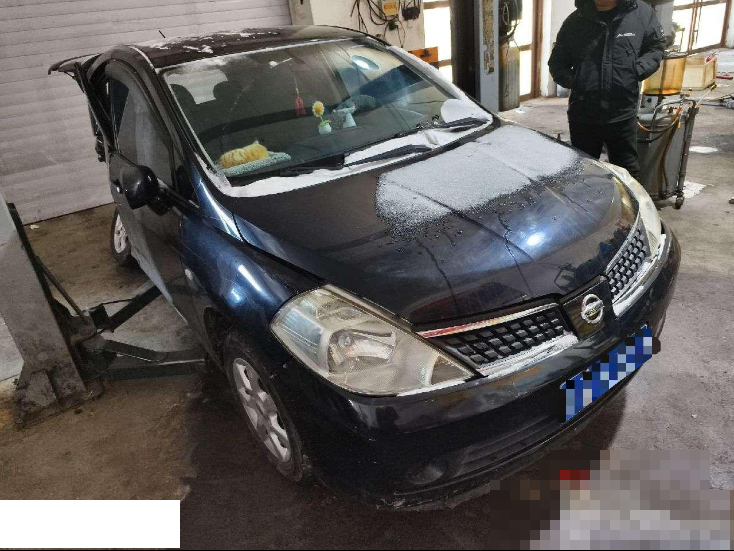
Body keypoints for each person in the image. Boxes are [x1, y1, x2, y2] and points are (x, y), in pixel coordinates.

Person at [549, 0, 665, 177]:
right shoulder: (575, 21)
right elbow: (557, 62)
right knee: (584, 172)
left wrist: (636, 70)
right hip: (584, 114)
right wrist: (577, 81)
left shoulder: (640, 14)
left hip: (622, 113)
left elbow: (655, 48)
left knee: (627, 172)